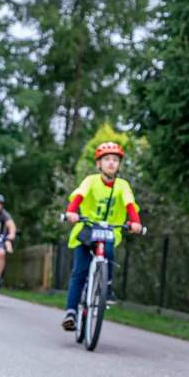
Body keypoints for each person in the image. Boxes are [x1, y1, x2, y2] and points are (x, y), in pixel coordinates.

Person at [61, 141, 143, 331]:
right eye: (107, 159)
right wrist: (71, 212)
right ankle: (71, 312)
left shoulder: (122, 185)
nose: (111, 163)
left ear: (119, 165)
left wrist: (135, 222)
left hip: (108, 231)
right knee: (79, 271)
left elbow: (130, 204)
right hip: (87, 229)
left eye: (115, 160)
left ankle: (107, 286)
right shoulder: (90, 180)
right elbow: (79, 196)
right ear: (99, 164)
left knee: (109, 252)